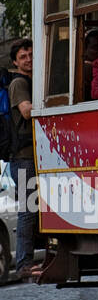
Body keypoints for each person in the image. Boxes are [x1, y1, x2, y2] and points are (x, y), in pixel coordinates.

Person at [8, 39, 38, 279]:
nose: (28, 59)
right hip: (22, 157)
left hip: (29, 156)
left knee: (33, 207)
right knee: (28, 208)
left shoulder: (30, 81)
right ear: (15, 62)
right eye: (23, 56)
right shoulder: (19, 83)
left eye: (30, 54)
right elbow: (27, 111)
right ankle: (24, 264)